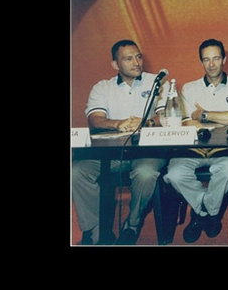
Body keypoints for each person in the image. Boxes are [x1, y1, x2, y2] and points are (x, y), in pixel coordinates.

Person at [72, 39, 168, 245]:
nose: (136, 62)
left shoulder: (157, 82)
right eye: (128, 58)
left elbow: (167, 116)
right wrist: (118, 124)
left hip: (147, 154)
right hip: (111, 155)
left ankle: (132, 225)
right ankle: (95, 230)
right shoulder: (102, 87)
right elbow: (95, 118)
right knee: (76, 171)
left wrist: (146, 122)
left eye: (138, 56)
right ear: (115, 65)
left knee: (146, 173)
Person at [163, 39, 228, 243]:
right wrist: (224, 117)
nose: (211, 64)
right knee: (174, 174)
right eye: (206, 59)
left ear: (224, 60)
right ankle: (207, 213)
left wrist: (203, 114)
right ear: (201, 62)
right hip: (193, 149)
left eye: (216, 58)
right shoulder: (189, 89)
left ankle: (202, 214)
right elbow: (185, 122)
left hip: (225, 149)